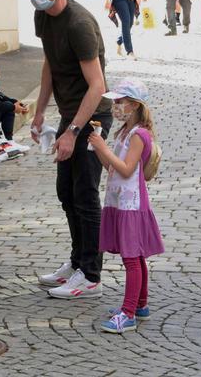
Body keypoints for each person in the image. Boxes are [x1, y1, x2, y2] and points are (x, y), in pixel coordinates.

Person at [30, 0, 113, 299]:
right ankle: (77, 262)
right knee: (66, 192)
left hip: (93, 117)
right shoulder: (42, 17)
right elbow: (49, 64)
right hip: (70, 114)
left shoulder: (78, 23)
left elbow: (97, 85)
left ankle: (90, 275)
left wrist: (73, 132)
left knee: (85, 194)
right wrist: (38, 112)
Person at [88, 79, 164, 335]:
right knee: (135, 256)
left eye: (120, 101)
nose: (115, 106)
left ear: (134, 105)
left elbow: (127, 168)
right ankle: (141, 304)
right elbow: (111, 167)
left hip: (132, 204)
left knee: (132, 259)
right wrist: (98, 147)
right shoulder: (124, 132)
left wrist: (102, 148)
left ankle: (128, 312)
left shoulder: (139, 135)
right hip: (120, 201)